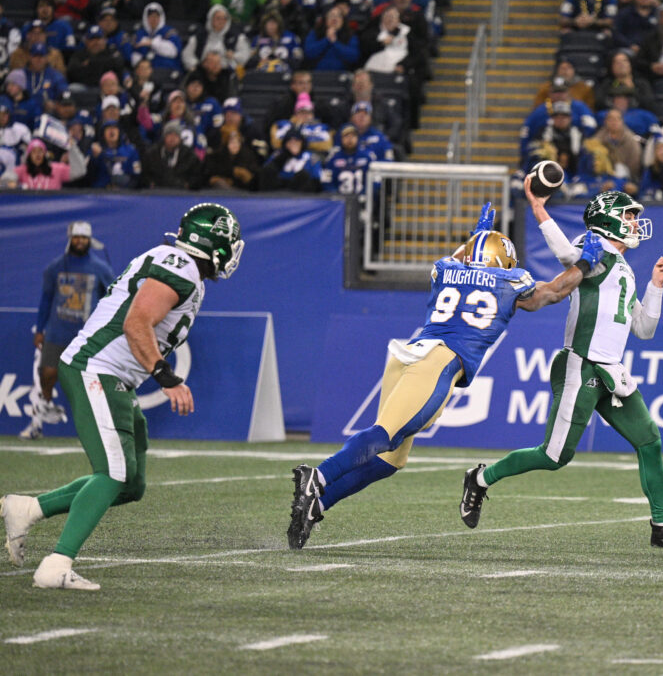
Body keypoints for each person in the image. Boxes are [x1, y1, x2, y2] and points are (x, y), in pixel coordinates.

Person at [287, 201, 606, 548]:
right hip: (440, 362)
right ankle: (318, 477)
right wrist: (586, 263)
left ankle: (317, 504)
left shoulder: (446, 268)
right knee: (385, 435)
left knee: (391, 458)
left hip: (408, 354)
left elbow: (460, 259)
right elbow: (556, 292)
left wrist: (475, 237)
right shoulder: (511, 281)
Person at [1, 204, 244, 590]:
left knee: (131, 483)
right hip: (96, 369)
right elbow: (136, 323)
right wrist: (167, 377)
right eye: (228, 243)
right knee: (113, 472)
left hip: (114, 377)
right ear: (210, 242)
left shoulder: (181, 267)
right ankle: (56, 564)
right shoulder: (179, 265)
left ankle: (28, 508)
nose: (232, 252)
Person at [456, 187, 663, 550]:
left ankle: (661, 526)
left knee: (650, 440)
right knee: (554, 457)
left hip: (611, 372)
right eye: (628, 215)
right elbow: (567, 253)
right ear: (607, 220)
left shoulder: (623, 268)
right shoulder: (594, 249)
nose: (634, 221)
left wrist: (656, 286)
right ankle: (480, 478)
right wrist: (539, 209)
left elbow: (644, 329)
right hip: (580, 366)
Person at [19, 222, 114, 441]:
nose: (80, 241)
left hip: (87, 335)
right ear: (69, 238)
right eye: (76, 237)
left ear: (90, 241)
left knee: (90, 383)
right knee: (47, 375)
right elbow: (46, 299)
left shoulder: (101, 269)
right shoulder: (55, 267)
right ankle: (37, 422)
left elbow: (112, 299)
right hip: (57, 331)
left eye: (84, 237)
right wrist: (40, 328)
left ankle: (99, 431)